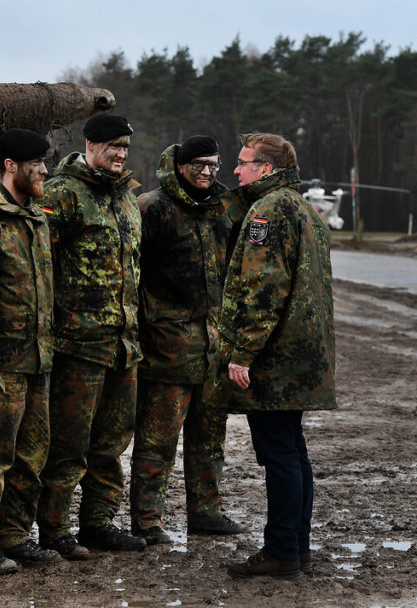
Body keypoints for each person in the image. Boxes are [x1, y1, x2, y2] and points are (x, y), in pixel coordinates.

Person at [212, 132, 336, 580]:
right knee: (293, 451)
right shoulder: (304, 209)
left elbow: (264, 289)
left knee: (280, 454)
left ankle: (282, 551)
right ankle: (295, 547)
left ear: (266, 168)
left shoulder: (267, 211)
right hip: (302, 356)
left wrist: (243, 352)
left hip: (275, 357)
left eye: (243, 162)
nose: (235, 171)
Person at [35, 112, 146, 557]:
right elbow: (40, 266)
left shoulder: (125, 199)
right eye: (113, 145)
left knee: (111, 443)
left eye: (125, 147)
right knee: (69, 445)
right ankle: (55, 530)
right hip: (77, 345)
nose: (120, 154)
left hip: (123, 344)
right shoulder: (63, 194)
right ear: (91, 145)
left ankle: (99, 522)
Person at [129, 135, 248, 546]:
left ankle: (206, 512)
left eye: (214, 165)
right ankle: (147, 520)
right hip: (166, 345)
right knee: (157, 440)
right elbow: (130, 272)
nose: (207, 172)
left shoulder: (225, 208)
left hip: (214, 345)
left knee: (210, 436)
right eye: (199, 164)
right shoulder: (152, 207)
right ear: (179, 166)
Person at [0, 129, 61, 574]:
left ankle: (16, 536)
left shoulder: (37, 216)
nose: (45, 170)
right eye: (37, 164)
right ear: (10, 166)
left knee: (32, 455)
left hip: (40, 358)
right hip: (4, 363)